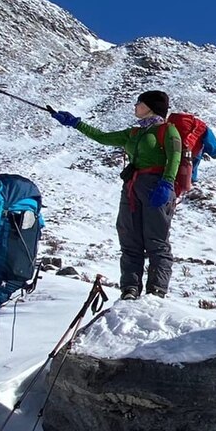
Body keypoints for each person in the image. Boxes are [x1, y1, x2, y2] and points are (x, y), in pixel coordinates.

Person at [51, 90, 181, 299]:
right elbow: (102, 137)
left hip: (156, 187)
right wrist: (76, 123)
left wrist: (167, 182)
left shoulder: (168, 130)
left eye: (139, 103)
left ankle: (156, 290)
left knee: (156, 241)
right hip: (132, 187)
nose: (135, 106)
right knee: (129, 239)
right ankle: (130, 288)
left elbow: (175, 157)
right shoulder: (133, 133)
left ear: (151, 106)